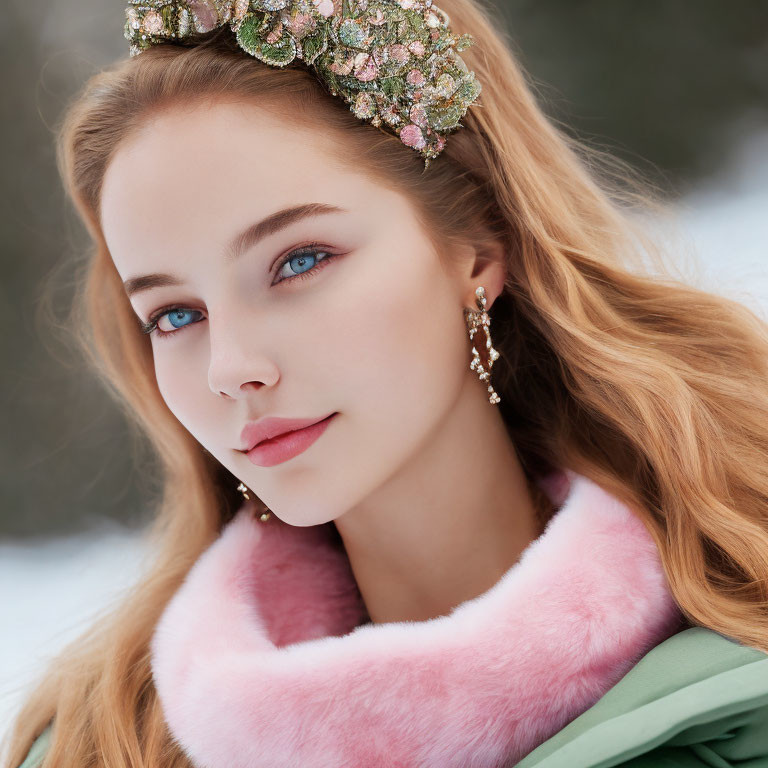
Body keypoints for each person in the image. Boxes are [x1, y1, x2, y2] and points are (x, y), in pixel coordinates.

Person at [6, 0, 768, 766]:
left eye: (298, 261)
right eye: (174, 314)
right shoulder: (96, 746)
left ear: (476, 248)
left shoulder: (745, 673)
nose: (230, 367)